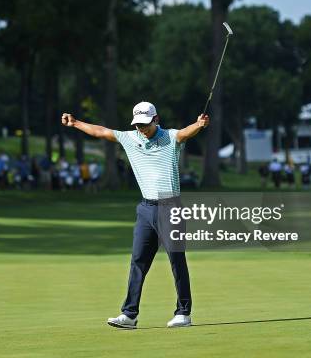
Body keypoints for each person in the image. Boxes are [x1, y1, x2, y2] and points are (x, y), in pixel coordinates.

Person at [62, 101, 209, 329]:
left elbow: (184, 133)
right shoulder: (130, 138)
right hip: (145, 210)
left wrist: (199, 124)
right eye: (138, 124)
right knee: (138, 262)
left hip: (171, 208)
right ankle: (129, 314)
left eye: (146, 124)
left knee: (177, 261)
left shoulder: (170, 138)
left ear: (156, 120)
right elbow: (100, 132)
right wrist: (75, 123)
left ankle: (183, 313)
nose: (142, 129)